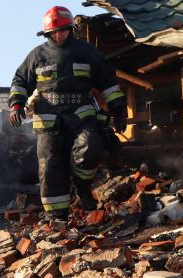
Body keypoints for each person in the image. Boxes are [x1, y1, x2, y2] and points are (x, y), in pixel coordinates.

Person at [8, 5, 127, 221]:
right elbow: (20, 81)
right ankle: (57, 216)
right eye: (53, 32)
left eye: (62, 30)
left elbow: (108, 81)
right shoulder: (37, 55)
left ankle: (82, 188)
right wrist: (17, 104)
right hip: (48, 117)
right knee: (50, 164)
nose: (58, 34)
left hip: (81, 110)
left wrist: (118, 110)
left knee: (91, 148)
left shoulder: (86, 51)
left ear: (70, 29)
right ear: (47, 33)